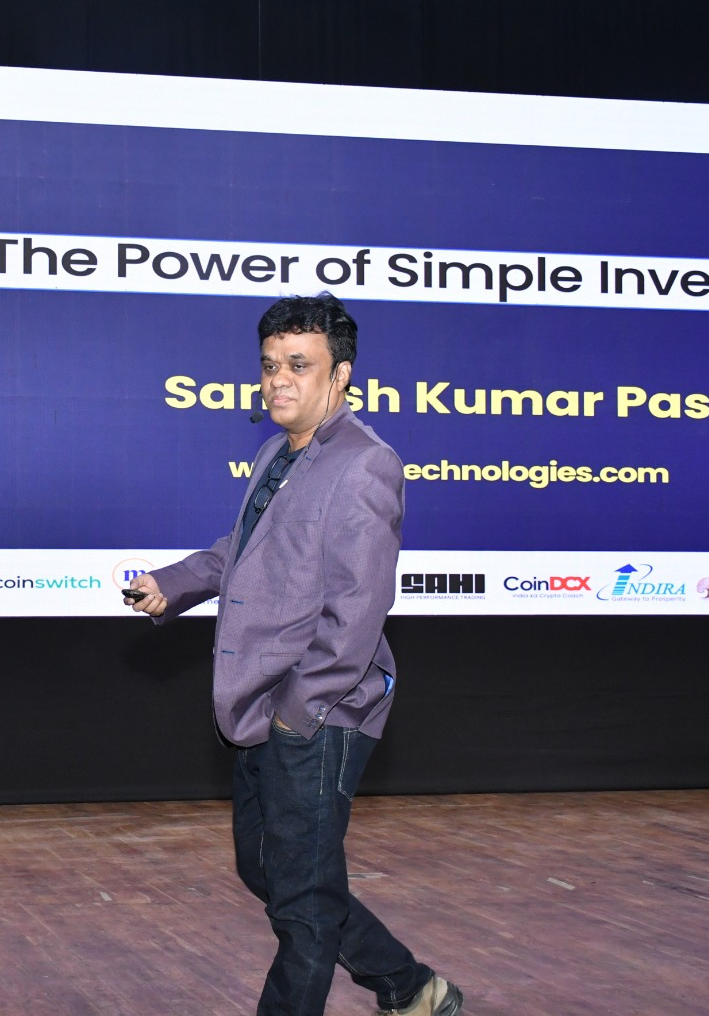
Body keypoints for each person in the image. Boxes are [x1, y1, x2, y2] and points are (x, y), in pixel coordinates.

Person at [125, 293, 462, 1016]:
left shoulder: (365, 464)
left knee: (303, 906)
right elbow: (242, 551)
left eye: (298, 365)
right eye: (270, 365)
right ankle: (408, 986)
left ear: (340, 375)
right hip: (260, 703)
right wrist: (173, 584)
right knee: (268, 870)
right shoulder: (276, 452)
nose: (278, 379)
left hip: (318, 711)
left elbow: (358, 609)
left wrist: (296, 714)